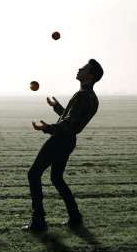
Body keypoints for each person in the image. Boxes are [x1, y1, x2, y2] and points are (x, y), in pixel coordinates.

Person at [24, 59, 103, 232]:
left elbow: (69, 124)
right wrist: (57, 107)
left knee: (33, 174)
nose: (79, 69)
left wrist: (47, 128)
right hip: (68, 141)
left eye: (83, 68)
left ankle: (38, 220)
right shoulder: (91, 96)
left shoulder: (83, 96)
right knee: (56, 178)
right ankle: (75, 216)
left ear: (89, 75)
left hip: (60, 139)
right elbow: (71, 119)